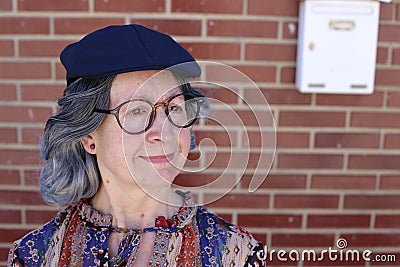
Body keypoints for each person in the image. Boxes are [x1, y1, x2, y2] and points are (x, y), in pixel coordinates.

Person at [8, 24, 266, 266]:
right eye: (136, 111)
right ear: (88, 136)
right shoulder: (35, 257)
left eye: (175, 108)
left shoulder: (238, 255)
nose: (164, 133)